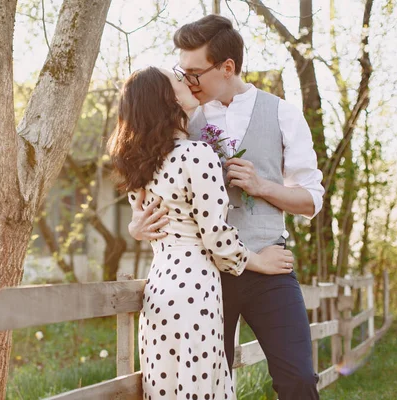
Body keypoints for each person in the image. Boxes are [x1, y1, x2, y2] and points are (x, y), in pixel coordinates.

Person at [129, 15, 324, 400]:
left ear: (227, 67)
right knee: (210, 386)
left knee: (298, 378)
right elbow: (146, 183)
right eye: (180, 72)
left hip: (269, 267)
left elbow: (311, 201)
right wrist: (136, 226)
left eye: (194, 72)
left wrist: (261, 185)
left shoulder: (283, 113)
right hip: (204, 279)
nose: (186, 82)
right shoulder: (178, 117)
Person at [108, 66, 293, 400]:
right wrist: (260, 262)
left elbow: (143, 223)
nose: (187, 81)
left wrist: (136, 229)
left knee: (167, 388)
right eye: (178, 80)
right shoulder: (197, 154)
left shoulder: (141, 165)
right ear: (167, 100)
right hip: (194, 288)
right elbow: (216, 236)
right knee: (199, 387)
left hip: (159, 289)